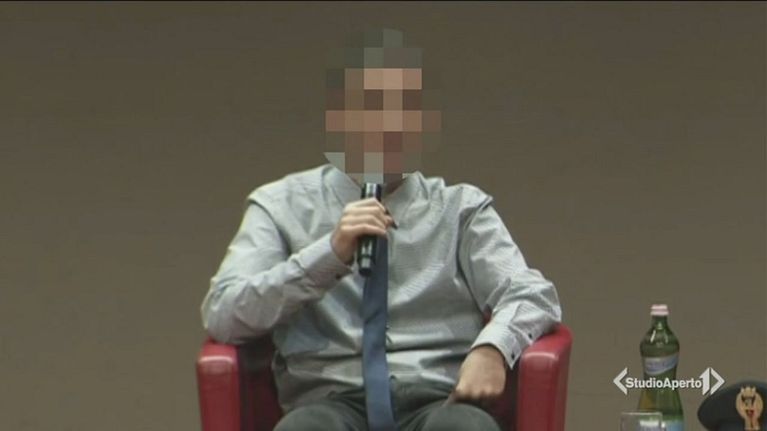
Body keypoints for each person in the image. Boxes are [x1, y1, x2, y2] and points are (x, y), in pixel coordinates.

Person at [200, 28, 562, 431]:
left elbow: (534, 295)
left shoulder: (461, 209)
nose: (390, 125)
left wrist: (493, 348)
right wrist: (328, 255)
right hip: (329, 402)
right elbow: (224, 314)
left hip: (439, 399)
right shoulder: (280, 205)